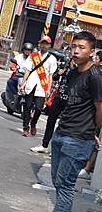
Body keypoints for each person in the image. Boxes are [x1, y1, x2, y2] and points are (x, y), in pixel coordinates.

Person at [50, 31, 102, 212]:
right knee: (57, 180)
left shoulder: (95, 77)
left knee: (65, 185)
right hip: (61, 132)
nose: (76, 51)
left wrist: (93, 132)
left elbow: (100, 108)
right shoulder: (72, 72)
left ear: (91, 51)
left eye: (81, 47)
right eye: (74, 46)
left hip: (79, 138)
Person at [19, 36, 57, 137]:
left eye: (46, 44)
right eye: (42, 43)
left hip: (42, 86)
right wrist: (23, 83)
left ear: (49, 45)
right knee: (27, 107)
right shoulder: (33, 56)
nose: (44, 45)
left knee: (39, 108)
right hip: (31, 83)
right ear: (39, 44)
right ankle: (25, 128)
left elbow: (50, 76)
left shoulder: (52, 59)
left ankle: (33, 123)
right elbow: (27, 70)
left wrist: (48, 88)